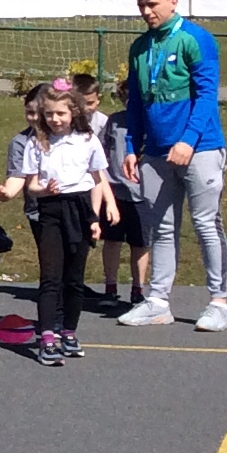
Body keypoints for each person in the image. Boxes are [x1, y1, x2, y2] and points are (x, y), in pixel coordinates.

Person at [118, 0, 227, 331]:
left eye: (152, 4)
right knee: (162, 228)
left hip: (200, 148)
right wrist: (132, 146)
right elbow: (136, 102)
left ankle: (219, 303)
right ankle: (158, 301)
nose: (146, 12)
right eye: (141, 5)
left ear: (173, 1)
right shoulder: (139, 47)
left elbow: (207, 96)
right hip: (155, 151)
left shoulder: (196, 39)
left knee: (206, 224)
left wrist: (188, 140)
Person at [0, 79, 116, 365]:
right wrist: (43, 191)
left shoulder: (87, 141)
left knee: (74, 280)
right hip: (50, 211)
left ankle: (69, 333)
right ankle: (48, 338)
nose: (55, 119)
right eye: (49, 114)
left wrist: (97, 216)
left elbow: (97, 180)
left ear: (73, 112)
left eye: (61, 113)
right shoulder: (36, 143)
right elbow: (31, 185)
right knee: (51, 277)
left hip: (80, 209)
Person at [98, 83, 148, 307]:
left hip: (143, 193)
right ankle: (110, 288)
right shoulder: (115, 121)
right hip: (115, 190)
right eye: (127, 99)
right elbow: (102, 150)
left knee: (141, 242)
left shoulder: (151, 122)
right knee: (112, 239)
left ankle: (138, 289)